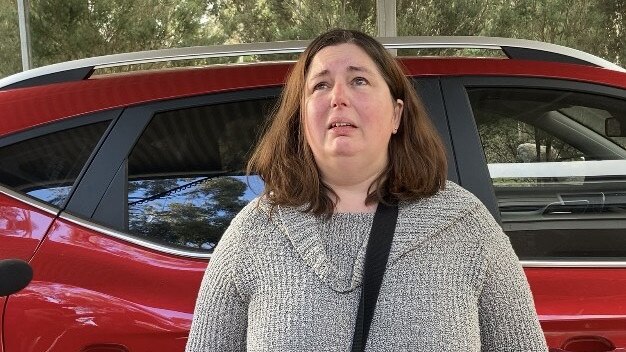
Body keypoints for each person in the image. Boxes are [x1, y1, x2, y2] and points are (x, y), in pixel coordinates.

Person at [186, 29, 548, 352]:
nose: (338, 97)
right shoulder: (254, 233)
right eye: (320, 85)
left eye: (358, 81)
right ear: (301, 118)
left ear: (396, 114)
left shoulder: (466, 226)